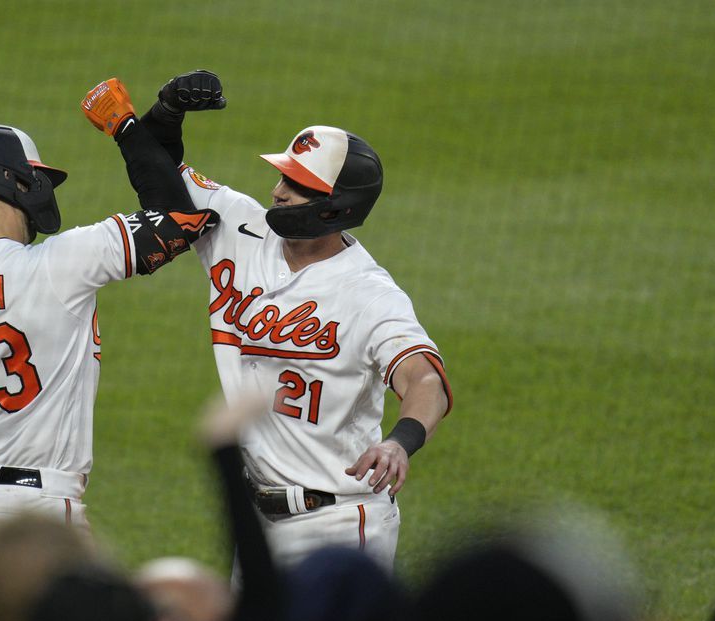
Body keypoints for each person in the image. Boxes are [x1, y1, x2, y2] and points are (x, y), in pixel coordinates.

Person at [97, 70, 453, 572]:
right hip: (257, 526)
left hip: (339, 527)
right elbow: (161, 176)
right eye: (284, 176)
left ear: (335, 209)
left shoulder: (369, 295)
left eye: (299, 185)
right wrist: (166, 112)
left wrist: (401, 441)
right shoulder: (241, 228)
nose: (278, 191)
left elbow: (425, 379)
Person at [0, 82, 218, 539]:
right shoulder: (61, 263)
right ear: (16, 181)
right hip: (35, 516)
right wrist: (125, 126)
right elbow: (179, 221)